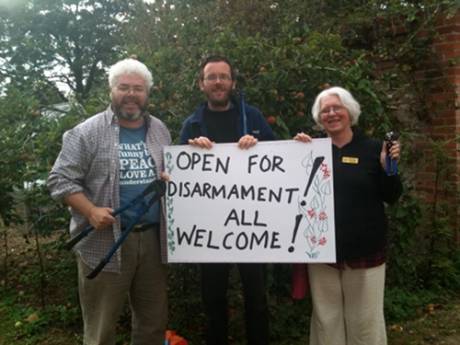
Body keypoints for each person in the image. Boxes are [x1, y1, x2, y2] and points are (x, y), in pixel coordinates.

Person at [47, 58, 170, 345]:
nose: (131, 94)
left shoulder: (160, 130)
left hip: (153, 241)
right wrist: (89, 211)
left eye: (138, 89)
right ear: (111, 90)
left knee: (153, 325)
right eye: (123, 87)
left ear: (147, 93)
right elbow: (59, 180)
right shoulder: (86, 132)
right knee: (101, 330)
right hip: (105, 241)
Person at [294, 86, 402, 345]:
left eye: (337, 108)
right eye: (325, 110)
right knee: (326, 320)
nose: (331, 113)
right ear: (319, 118)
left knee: (365, 323)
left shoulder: (373, 148)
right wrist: (292, 153)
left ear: (349, 112)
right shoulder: (309, 150)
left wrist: (389, 167)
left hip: (366, 250)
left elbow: (392, 195)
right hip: (322, 252)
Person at [179, 55, 274, 345]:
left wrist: (259, 147)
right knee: (213, 300)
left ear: (232, 82)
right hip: (210, 231)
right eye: (211, 77)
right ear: (201, 84)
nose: (218, 82)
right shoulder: (191, 126)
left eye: (223, 76)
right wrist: (190, 150)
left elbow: (280, 162)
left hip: (252, 226)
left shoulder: (254, 118)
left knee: (257, 299)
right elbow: (179, 176)